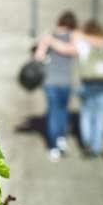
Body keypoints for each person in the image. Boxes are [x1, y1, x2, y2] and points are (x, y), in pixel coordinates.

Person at [41, 19, 103, 157]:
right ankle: (96, 147)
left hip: (88, 84)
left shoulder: (83, 43)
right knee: (100, 117)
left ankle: (87, 142)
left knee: (86, 114)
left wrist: (50, 40)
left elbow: (65, 48)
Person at [34, 11, 77, 162]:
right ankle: (60, 139)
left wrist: (49, 42)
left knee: (53, 112)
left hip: (50, 81)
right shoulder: (73, 36)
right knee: (62, 111)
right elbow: (73, 50)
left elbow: (38, 56)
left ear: (59, 21)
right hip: (65, 81)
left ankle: (54, 145)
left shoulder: (48, 35)